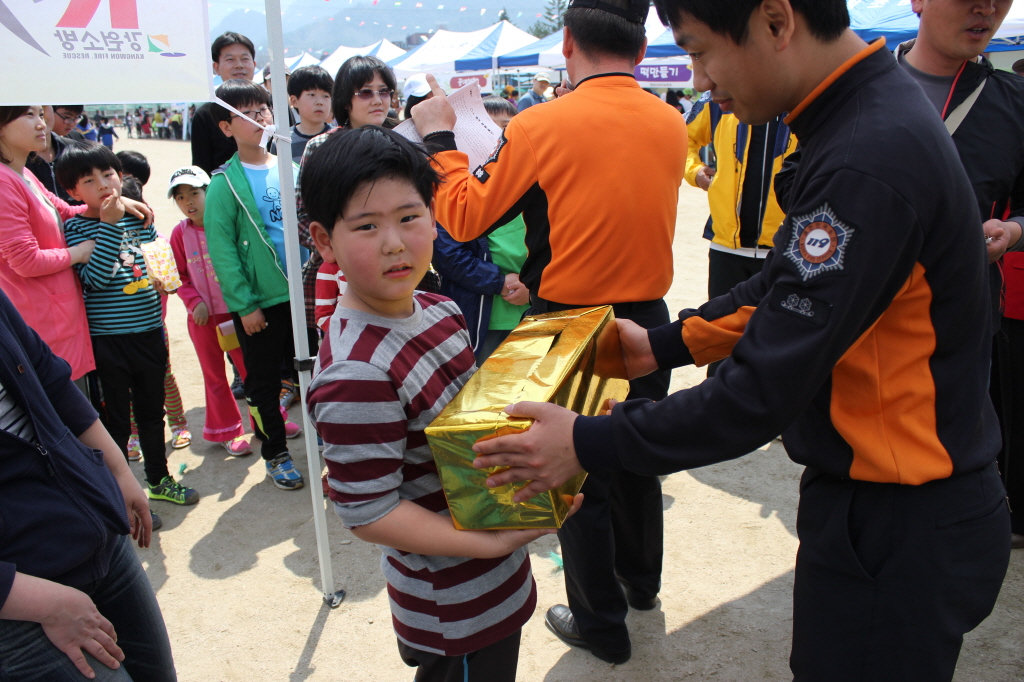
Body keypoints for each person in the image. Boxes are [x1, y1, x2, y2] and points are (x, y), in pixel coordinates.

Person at [469, 0, 1012, 679]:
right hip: (897, 501)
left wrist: (585, 441)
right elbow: (785, 287)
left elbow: (758, 393)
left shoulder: (865, 156)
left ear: (776, 22)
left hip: (900, 512)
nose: (699, 81)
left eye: (700, 51)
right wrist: (665, 345)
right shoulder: (864, 119)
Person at [411, 0, 686, 664]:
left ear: (567, 42)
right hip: (648, 318)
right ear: (641, 49)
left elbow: (463, 215)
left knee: (576, 477)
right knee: (637, 455)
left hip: (567, 323)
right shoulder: (670, 120)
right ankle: (641, 585)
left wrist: (441, 141)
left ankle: (601, 624)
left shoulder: (542, 123)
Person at [303, 126, 580, 682]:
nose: (394, 242)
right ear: (324, 241)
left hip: (493, 572)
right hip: (453, 602)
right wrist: (490, 542)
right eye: (366, 225)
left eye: (409, 216)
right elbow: (369, 511)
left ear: (434, 218)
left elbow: (469, 423)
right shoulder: (357, 372)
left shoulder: (439, 310)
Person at [895, 0, 1024, 553]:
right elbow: (795, 181)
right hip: (860, 317)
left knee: (950, 472)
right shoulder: (856, 86)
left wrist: (1012, 230)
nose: (986, 10)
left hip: (962, 325)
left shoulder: (1013, 102)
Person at [0, 287, 177, 682]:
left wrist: (117, 471)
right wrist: (38, 602)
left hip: (102, 543)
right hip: (22, 604)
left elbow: (47, 374)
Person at [58, 142, 199, 508]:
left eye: (108, 174)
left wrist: (165, 277)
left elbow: (157, 261)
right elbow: (94, 279)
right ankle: (119, 494)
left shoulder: (139, 216)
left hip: (149, 331)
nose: (104, 184)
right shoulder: (76, 228)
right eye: (89, 181)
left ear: (120, 176)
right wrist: (108, 225)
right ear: (73, 192)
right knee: (117, 422)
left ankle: (159, 480)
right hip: (109, 340)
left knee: (152, 413)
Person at [203, 79, 306, 491]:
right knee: (262, 383)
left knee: (312, 372)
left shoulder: (290, 168)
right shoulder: (223, 184)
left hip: (303, 293)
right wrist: (245, 305)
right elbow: (222, 252)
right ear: (226, 127)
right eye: (246, 114)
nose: (259, 119)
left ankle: (327, 444)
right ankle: (275, 453)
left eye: (262, 110)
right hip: (261, 302)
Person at [685, 92, 797, 375]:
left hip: (785, 246)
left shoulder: (802, 94)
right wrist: (694, 171)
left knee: (780, 347)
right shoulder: (719, 97)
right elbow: (681, 138)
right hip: (727, 244)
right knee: (720, 345)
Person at [295, 55, 400, 352]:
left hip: (398, 266)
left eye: (383, 91)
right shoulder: (321, 147)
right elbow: (302, 215)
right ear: (345, 100)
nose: (377, 99)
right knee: (346, 353)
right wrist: (345, 252)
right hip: (338, 275)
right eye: (365, 92)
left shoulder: (404, 143)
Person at [432, 96, 531, 361]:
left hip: (532, 315)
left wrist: (535, 285)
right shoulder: (455, 189)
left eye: (505, 128)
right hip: (480, 319)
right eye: (486, 128)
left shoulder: (531, 184)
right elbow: (448, 254)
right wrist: (500, 283)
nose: (496, 138)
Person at [167, 166, 253, 456]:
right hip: (202, 320)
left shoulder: (228, 223)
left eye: (194, 193)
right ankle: (228, 432)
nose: (188, 202)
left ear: (209, 192)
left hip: (237, 314)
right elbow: (178, 276)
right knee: (214, 375)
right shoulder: (179, 234)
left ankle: (268, 422)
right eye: (180, 197)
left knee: (251, 369)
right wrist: (195, 302)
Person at [113, 150, 193, 456]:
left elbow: (171, 284)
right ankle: (134, 433)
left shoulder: (155, 240)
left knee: (164, 376)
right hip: (119, 330)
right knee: (127, 384)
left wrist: (163, 282)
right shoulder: (106, 241)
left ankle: (178, 423)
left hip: (152, 325)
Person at [191, 32, 257, 174]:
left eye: (245, 59)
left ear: (254, 64)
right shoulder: (205, 115)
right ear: (216, 67)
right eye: (230, 59)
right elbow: (201, 169)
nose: (239, 65)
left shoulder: (274, 107)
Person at [25, 106, 80, 205]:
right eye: (30, 114)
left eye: (41, 113)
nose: (41, 123)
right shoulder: (13, 162)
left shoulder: (75, 148)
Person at [287, 65, 334, 164]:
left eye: (326, 96)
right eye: (312, 95)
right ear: (294, 101)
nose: (319, 102)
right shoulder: (284, 140)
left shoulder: (339, 137)